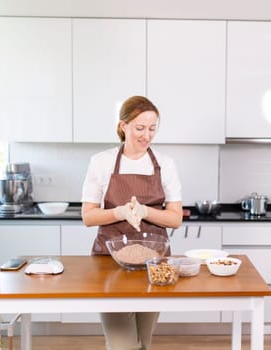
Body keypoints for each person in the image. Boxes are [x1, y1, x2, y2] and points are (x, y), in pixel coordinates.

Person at [81, 95, 183, 350]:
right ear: (123, 126)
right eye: (139, 128)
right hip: (109, 262)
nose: (146, 135)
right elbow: (88, 216)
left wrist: (145, 211)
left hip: (154, 265)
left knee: (144, 343)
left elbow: (175, 218)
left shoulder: (165, 165)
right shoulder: (101, 162)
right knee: (122, 345)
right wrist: (119, 213)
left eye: (152, 128)